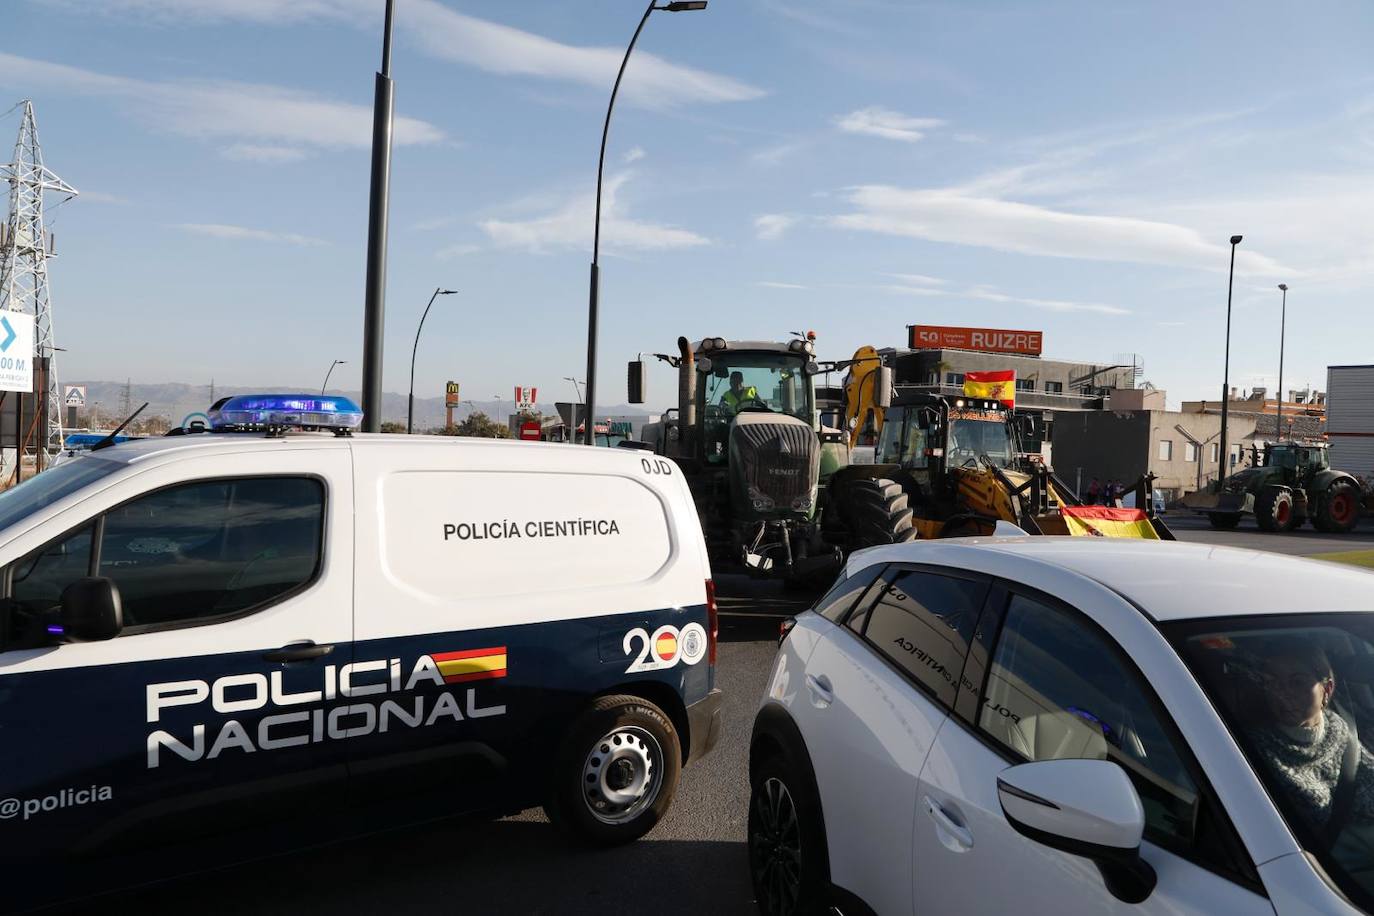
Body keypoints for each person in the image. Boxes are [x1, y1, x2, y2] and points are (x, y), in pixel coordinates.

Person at [1249, 644, 1374, 832]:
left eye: (1297, 682)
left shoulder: (1340, 727)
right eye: (1271, 683)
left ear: (1327, 689)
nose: (1281, 694)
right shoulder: (1253, 750)